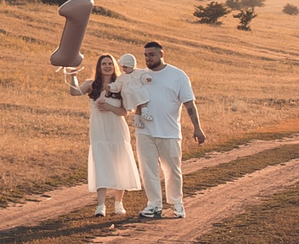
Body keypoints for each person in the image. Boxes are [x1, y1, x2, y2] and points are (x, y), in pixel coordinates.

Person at [126, 39, 204, 219]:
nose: (148, 59)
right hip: (145, 131)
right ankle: (154, 205)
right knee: (147, 170)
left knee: (172, 170)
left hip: (169, 132)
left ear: (161, 54)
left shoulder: (177, 75)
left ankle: (177, 203)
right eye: (145, 55)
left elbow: (189, 103)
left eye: (151, 55)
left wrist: (197, 128)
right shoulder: (140, 76)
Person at [67, 53, 142, 217]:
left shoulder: (121, 85)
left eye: (110, 63)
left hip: (117, 129)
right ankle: (101, 205)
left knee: (119, 163)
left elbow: (125, 112)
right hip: (99, 131)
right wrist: (72, 75)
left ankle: (118, 203)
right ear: (99, 67)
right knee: (101, 164)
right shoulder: (91, 84)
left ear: (114, 66)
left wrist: (109, 107)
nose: (107, 66)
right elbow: (74, 92)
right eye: (104, 64)